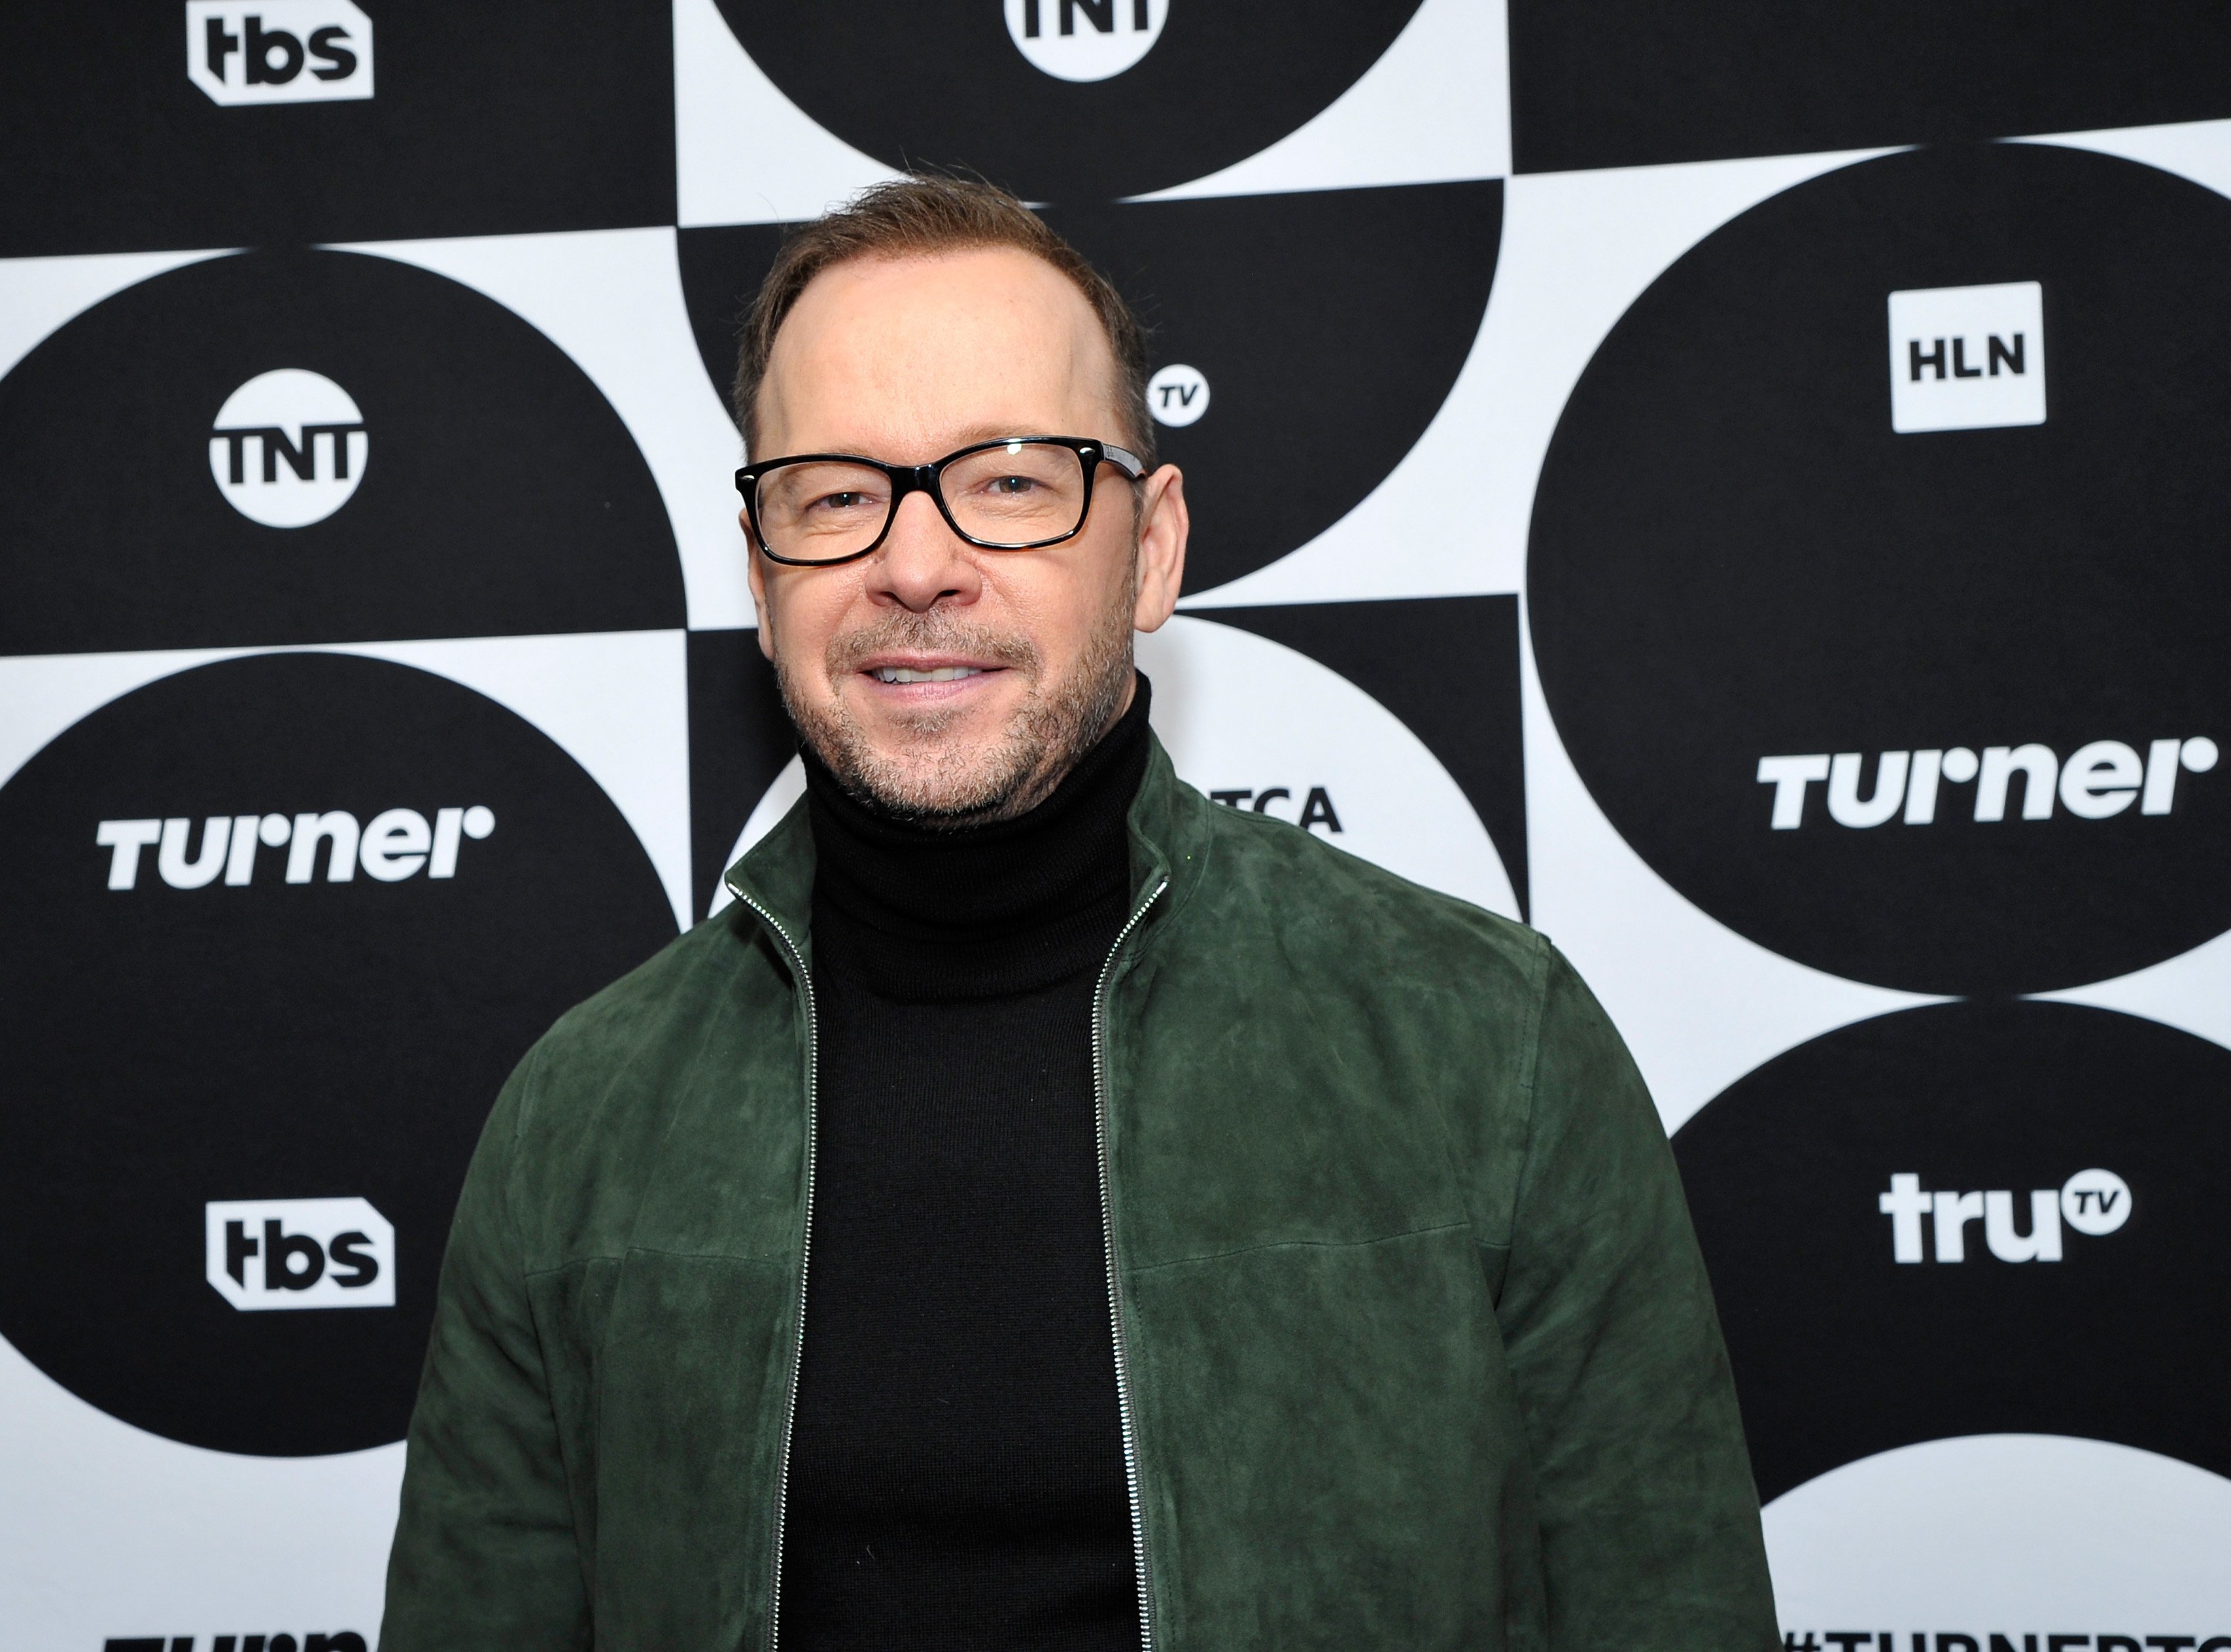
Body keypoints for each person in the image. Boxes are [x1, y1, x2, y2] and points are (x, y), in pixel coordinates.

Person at [381, 175, 1778, 1651]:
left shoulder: (1496, 1053)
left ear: (1153, 546)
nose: (914, 566)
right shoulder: (577, 1124)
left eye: (1008, 479)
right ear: (759, 568)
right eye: (838, 495)